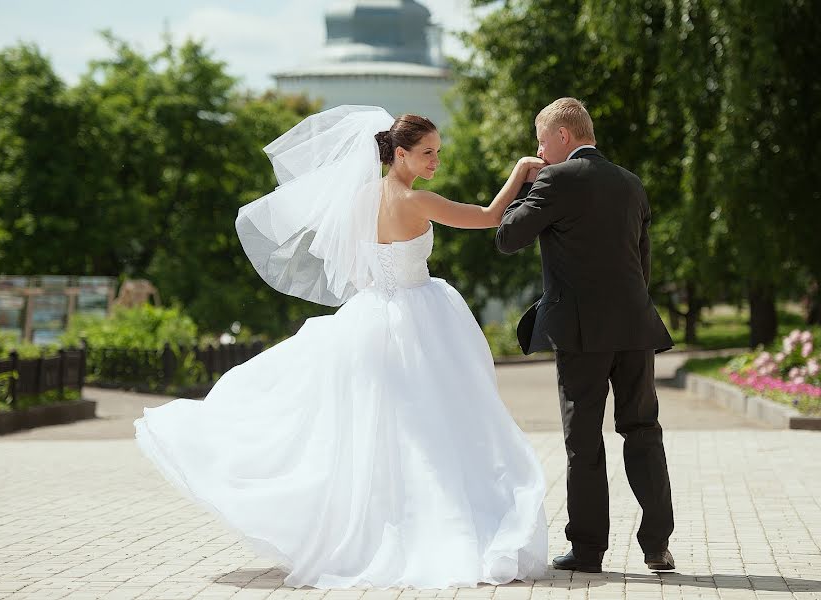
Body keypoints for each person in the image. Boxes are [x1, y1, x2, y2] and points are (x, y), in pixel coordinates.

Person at [134, 106, 549, 589]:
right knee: (429, 427)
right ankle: (421, 524)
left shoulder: (356, 202)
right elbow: (488, 217)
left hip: (369, 318)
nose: (436, 160)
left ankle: (382, 524)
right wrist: (521, 171)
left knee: (383, 430)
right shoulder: (418, 202)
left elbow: (355, 272)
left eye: (438, 151)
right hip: (419, 315)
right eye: (428, 153)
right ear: (399, 154)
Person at [496, 97, 676, 573]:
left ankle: (589, 550)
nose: (539, 153)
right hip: (636, 326)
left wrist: (523, 180)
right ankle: (657, 544)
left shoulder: (554, 179)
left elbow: (508, 236)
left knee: (584, 441)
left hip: (580, 334)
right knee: (643, 431)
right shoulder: (632, 184)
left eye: (541, 143)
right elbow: (643, 263)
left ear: (561, 136)